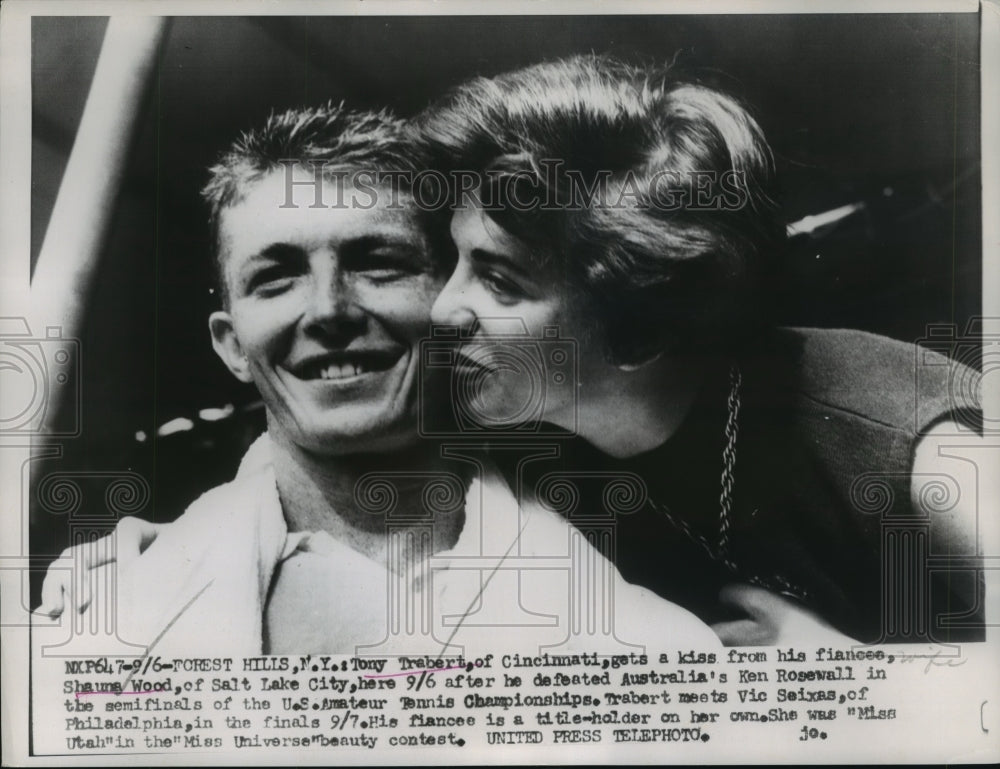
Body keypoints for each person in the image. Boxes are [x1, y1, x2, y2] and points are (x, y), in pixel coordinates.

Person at [33, 101, 720, 656]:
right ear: (231, 344)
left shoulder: (655, 643)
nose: (329, 310)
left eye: (377, 262)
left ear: (449, 300)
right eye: (276, 277)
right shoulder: (92, 623)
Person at [409, 55, 985, 645]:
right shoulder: (508, 427)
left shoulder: (908, 438)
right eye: (456, 262)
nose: (443, 310)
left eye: (501, 281)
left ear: (641, 321)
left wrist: (851, 674)